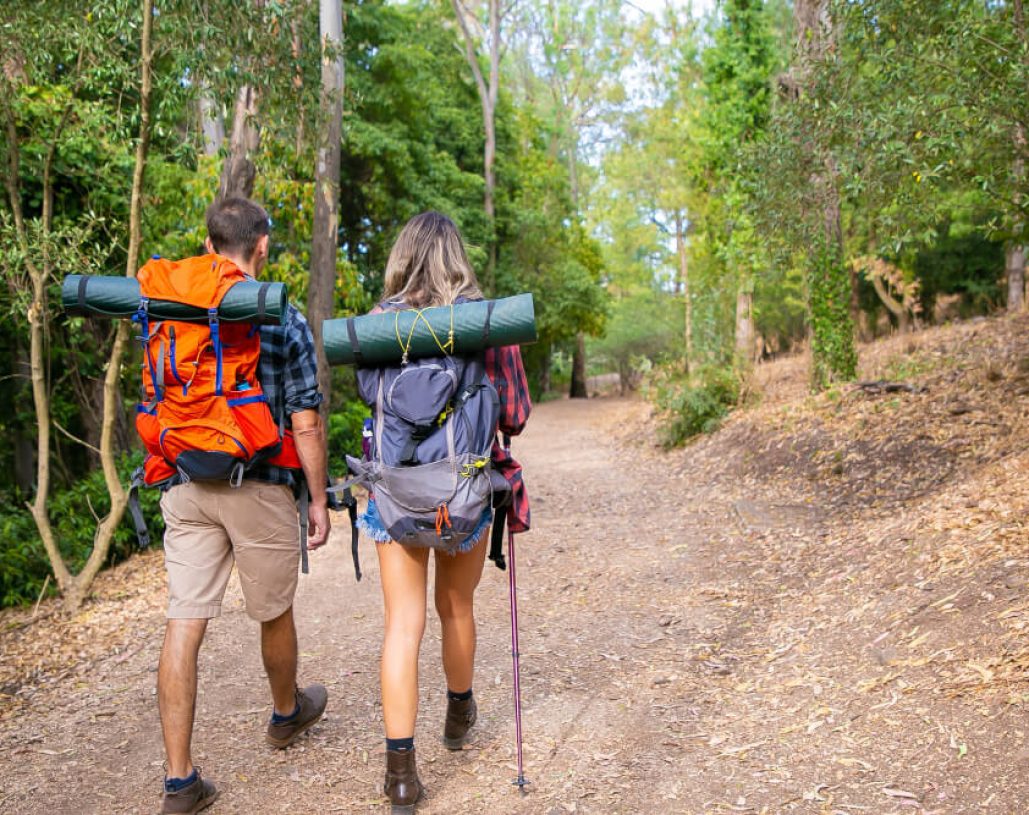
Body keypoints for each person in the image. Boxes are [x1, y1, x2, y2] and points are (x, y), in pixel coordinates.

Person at [156, 197, 331, 814]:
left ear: (209, 246)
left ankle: (179, 782)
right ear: (260, 247)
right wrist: (317, 498)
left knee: (184, 621)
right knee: (273, 608)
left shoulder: (170, 307)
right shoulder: (279, 314)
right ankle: (286, 714)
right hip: (258, 484)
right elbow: (305, 419)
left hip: (184, 484)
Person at [357, 211, 531, 813]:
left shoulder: (377, 324)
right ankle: (459, 712)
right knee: (455, 606)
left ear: (402, 257)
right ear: (458, 256)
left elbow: (365, 398)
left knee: (402, 624)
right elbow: (515, 415)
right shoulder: (486, 323)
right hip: (463, 491)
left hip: (395, 495)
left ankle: (400, 777)